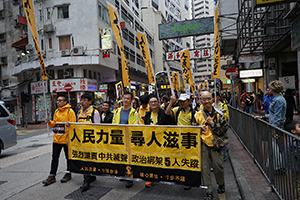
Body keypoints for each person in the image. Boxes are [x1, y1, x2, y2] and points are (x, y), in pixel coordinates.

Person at [194, 91, 228, 200]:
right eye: (204, 99)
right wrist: (199, 129)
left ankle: (221, 184)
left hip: (216, 144)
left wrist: (212, 124)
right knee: (205, 169)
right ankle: (207, 191)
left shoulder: (219, 114)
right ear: (200, 100)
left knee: (218, 166)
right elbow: (192, 130)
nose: (206, 101)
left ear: (212, 99)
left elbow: (224, 131)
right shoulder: (197, 115)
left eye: (208, 98)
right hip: (203, 145)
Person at [165, 93, 197, 190]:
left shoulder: (194, 113)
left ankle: (189, 181)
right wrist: (171, 102)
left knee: (188, 161)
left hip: (189, 141)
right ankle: (183, 179)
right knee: (181, 160)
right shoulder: (177, 110)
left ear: (189, 102)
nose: (182, 103)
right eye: (180, 101)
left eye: (184, 101)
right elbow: (167, 112)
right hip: (178, 140)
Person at [43, 95, 76, 186]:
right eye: (57, 100)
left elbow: (73, 126)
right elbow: (55, 124)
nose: (58, 102)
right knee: (54, 158)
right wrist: (50, 122)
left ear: (65, 102)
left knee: (68, 158)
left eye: (60, 100)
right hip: (57, 139)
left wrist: (70, 139)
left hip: (66, 140)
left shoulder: (70, 111)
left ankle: (68, 173)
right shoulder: (57, 111)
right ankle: (52, 176)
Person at [112, 91, 138, 188]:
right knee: (122, 158)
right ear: (122, 99)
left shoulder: (134, 112)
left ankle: (130, 178)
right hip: (119, 138)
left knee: (130, 159)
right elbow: (114, 124)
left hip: (129, 139)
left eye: (128, 98)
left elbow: (135, 126)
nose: (126, 100)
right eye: (124, 98)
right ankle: (124, 174)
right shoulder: (117, 111)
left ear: (131, 100)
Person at [143, 95, 171, 188]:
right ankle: (152, 177)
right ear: (149, 104)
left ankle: (164, 175)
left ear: (159, 103)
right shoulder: (147, 114)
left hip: (163, 139)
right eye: (151, 102)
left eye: (155, 101)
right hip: (151, 140)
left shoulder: (164, 113)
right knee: (152, 158)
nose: (153, 103)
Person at [76, 93, 101, 191]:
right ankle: (89, 178)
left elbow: (98, 127)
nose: (82, 102)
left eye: (85, 100)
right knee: (84, 160)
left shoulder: (94, 112)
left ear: (90, 102)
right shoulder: (79, 112)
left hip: (91, 141)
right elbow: (77, 125)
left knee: (89, 160)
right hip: (82, 141)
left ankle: (88, 179)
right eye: (81, 100)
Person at [284, 120, 300, 198]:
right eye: (299, 127)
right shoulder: (295, 140)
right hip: (296, 166)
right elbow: (298, 153)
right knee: (298, 183)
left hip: (295, 165)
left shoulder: (291, 138)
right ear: (293, 131)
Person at [213, 92, 229, 161]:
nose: (214, 98)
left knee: (222, 141)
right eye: (213, 96)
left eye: (215, 96)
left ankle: (223, 155)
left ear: (218, 97)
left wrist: (220, 114)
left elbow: (227, 115)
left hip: (222, 126)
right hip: (214, 126)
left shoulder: (223, 105)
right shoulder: (212, 105)